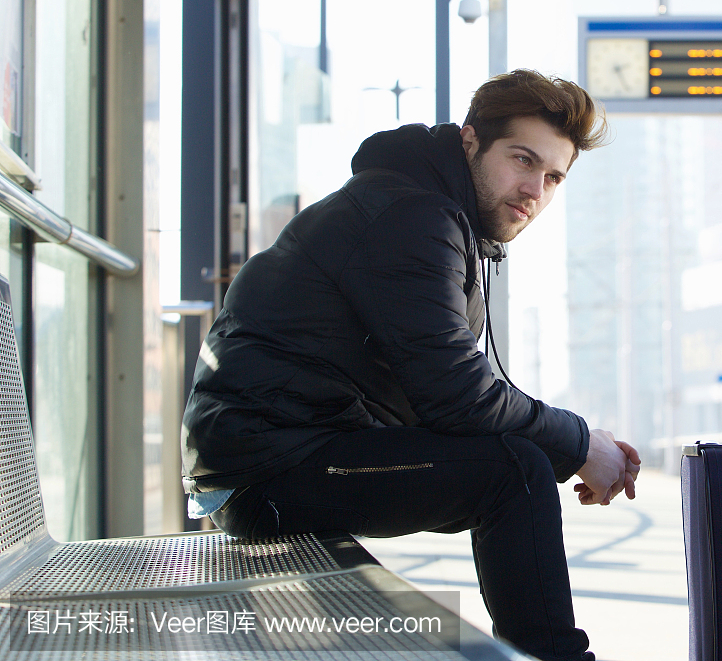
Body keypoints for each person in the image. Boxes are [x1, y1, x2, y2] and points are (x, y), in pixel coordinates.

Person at [180, 69, 638, 661]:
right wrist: (580, 446)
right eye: (523, 160)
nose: (535, 191)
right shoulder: (412, 217)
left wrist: (577, 446)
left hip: (275, 458)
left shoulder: (428, 213)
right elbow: (459, 397)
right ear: (470, 141)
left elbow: (459, 392)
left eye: (553, 177)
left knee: (513, 465)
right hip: (267, 471)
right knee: (513, 472)